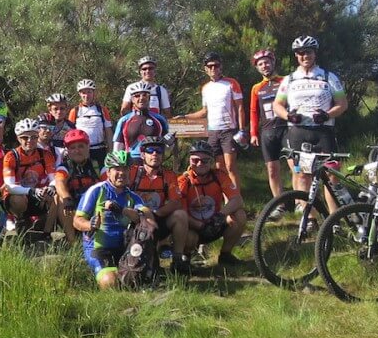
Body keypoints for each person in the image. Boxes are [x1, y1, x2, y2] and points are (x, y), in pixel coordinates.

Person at [272, 35, 348, 213]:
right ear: (296, 55)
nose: (304, 56)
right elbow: (277, 105)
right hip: (299, 132)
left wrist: (327, 114)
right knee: (303, 175)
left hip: (323, 132)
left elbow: (342, 104)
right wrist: (288, 116)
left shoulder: (328, 77)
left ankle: (334, 218)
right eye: (300, 53)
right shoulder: (289, 79)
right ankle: (310, 218)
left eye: (308, 52)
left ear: (315, 54)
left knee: (331, 175)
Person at [73, 150, 155, 289]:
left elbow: (148, 218)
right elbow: (77, 220)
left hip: (125, 248)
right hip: (100, 249)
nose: (122, 173)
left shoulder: (133, 196)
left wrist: (123, 210)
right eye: (117, 169)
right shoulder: (96, 191)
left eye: (125, 169)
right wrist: (90, 225)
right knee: (110, 282)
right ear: (109, 172)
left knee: (139, 280)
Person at [175, 52, 246, 190]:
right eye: (210, 66)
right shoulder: (205, 88)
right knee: (219, 168)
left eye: (216, 65)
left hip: (228, 129)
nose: (213, 68)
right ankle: (224, 195)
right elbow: (204, 111)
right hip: (213, 131)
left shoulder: (231, 83)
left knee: (230, 166)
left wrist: (242, 129)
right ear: (205, 69)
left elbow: (240, 107)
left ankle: (236, 198)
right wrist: (184, 117)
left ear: (221, 67)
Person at [177, 141, 247, 266]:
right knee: (188, 235)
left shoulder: (219, 176)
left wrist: (220, 216)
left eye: (205, 160)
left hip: (215, 223)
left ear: (211, 161)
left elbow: (237, 200)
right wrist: (199, 225)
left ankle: (225, 255)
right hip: (192, 227)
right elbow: (180, 213)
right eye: (195, 160)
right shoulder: (183, 181)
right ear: (189, 160)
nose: (199, 164)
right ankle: (185, 258)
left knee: (240, 215)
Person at [129, 136, 190, 273]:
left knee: (180, 215)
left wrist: (155, 214)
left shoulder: (169, 176)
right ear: (142, 154)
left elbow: (175, 202)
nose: (155, 154)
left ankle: (177, 260)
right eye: (150, 150)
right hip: (134, 220)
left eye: (159, 151)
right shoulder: (132, 172)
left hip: (157, 218)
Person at [249, 49, 288, 217]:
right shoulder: (257, 88)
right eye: (260, 64)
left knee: (297, 167)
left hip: (287, 128)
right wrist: (253, 133)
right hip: (267, 131)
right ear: (257, 68)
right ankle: (280, 205)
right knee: (272, 170)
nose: (264, 66)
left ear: (273, 63)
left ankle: (302, 203)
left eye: (267, 62)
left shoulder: (285, 81)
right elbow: (253, 111)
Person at [2, 118, 58, 233]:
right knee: (18, 199)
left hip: (39, 195)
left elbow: (54, 178)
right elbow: (9, 187)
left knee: (57, 196)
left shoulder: (45, 154)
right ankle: (21, 221)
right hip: (19, 198)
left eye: (34, 137)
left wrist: (51, 188)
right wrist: (32, 191)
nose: (29, 141)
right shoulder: (11, 156)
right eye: (24, 137)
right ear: (18, 138)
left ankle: (46, 229)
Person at [53, 129, 105, 244]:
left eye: (81, 146)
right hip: (73, 207)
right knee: (60, 198)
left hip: (95, 206)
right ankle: (73, 243)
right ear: (68, 150)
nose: (77, 151)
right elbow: (59, 182)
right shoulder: (65, 167)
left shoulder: (98, 165)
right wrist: (66, 198)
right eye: (72, 148)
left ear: (88, 147)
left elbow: (108, 184)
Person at [112, 81, 170, 163]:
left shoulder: (159, 120)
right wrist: (116, 163)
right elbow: (118, 146)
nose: (141, 98)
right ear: (132, 99)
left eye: (145, 95)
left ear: (149, 98)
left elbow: (168, 144)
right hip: (130, 160)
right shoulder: (124, 120)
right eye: (137, 96)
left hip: (152, 161)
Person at [68, 79, 113, 167]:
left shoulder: (102, 110)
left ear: (93, 93)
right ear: (79, 94)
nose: (86, 95)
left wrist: (111, 150)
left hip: (99, 150)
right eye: (83, 93)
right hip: (81, 151)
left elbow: (108, 131)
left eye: (89, 92)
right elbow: (70, 133)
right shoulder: (75, 111)